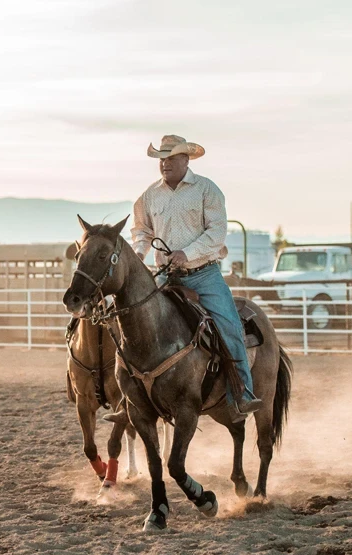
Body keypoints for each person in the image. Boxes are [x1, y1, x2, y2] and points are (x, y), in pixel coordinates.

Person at [108, 134, 263, 424]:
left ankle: (241, 392)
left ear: (185, 159)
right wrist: (139, 252)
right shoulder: (149, 196)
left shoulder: (206, 190)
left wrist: (187, 252)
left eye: (170, 157)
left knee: (229, 325)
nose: (164, 163)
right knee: (130, 325)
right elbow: (142, 231)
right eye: (161, 159)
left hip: (204, 274)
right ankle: (130, 399)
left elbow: (216, 232)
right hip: (166, 275)